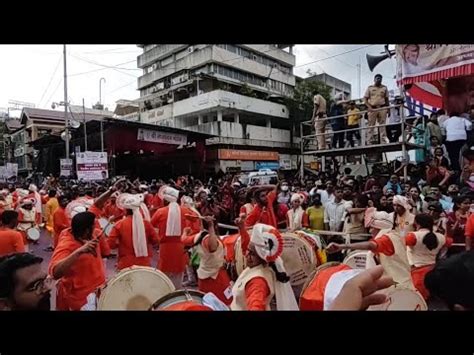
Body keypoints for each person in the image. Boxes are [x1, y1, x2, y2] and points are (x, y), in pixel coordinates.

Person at [230, 223, 298, 310]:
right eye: (248, 250)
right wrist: (242, 228)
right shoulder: (256, 266)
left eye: (252, 254)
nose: (247, 255)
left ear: (262, 258)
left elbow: (256, 306)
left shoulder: (258, 281)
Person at [49, 212, 106, 310]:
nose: (96, 227)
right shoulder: (67, 244)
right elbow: (55, 273)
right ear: (88, 230)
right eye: (94, 225)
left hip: (98, 292)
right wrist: (79, 252)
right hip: (79, 300)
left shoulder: (94, 234)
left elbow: (97, 206)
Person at [181, 216, 233, 305]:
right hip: (216, 279)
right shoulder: (207, 238)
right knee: (223, 304)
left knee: (206, 303)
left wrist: (185, 232)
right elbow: (212, 248)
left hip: (207, 276)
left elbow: (184, 239)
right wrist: (211, 227)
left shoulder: (198, 236)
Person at [151, 185, 191, 289]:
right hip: (181, 248)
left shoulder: (160, 212)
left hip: (165, 249)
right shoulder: (186, 211)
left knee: (164, 281)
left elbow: (151, 226)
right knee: (178, 281)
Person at [107, 193, 159, 270]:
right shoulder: (146, 223)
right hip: (144, 263)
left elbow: (110, 244)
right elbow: (156, 241)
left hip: (125, 264)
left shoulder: (119, 224)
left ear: (125, 210)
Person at [405, 213, 451, 299]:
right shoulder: (441, 237)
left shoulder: (412, 236)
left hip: (417, 272)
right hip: (433, 270)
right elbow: (449, 242)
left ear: (417, 223)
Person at [364, 74, 389, 144]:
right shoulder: (370, 88)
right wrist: (369, 107)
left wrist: (388, 109)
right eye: (377, 78)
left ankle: (383, 141)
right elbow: (365, 99)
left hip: (382, 107)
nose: (379, 80)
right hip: (373, 108)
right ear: (374, 79)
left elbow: (387, 99)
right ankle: (369, 141)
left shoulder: (384, 88)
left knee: (382, 125)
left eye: (380, 78)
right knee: (371, 125)